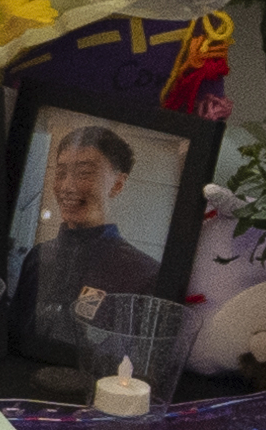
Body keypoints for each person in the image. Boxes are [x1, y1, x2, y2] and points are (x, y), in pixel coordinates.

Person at [11, 122, 165, 367]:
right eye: (61, 173)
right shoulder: (38, 257)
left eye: (84, 173)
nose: (67, 187)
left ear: (117, 184)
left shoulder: (145, 275)